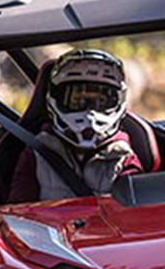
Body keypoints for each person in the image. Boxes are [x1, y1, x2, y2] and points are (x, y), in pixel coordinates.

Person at [8, 49, 144, 202]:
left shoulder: (123, 158)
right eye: (77, 100)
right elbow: (18, 213)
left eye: (99, 102)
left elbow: (135, 214)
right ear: (56, 98)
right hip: (48, 225)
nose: (89, 112)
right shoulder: (36, 155)